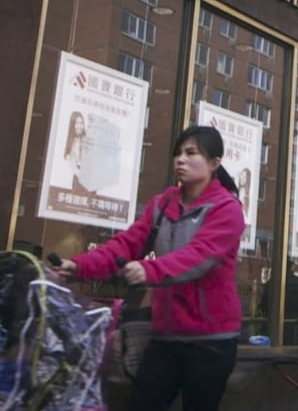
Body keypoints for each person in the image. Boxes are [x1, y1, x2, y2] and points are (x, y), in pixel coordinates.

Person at [56, 125, 245, 411]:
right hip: (166, 335)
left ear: (214, 163)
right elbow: (125, 244)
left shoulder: (226, 209)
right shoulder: (163, 202)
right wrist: (78, 266)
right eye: (178, 153)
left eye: (191, 153)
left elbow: (200, 256)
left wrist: (150, 270)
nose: (180, 159)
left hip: (211, 340)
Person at [64, 110, 90, 193]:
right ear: (73, 125)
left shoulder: (87, 139)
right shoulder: (71, 143)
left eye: (81, 123)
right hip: (80, 180)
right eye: (77, 123)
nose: (80, 126)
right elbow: (73, 167)